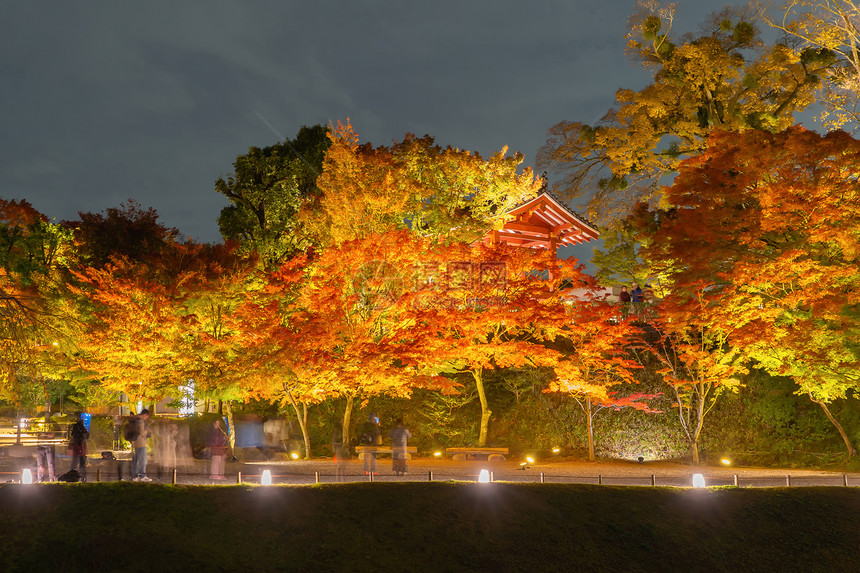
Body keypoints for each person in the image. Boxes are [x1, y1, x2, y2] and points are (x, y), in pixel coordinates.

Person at [131, 409, 152, 482]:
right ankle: (142, 476)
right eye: (146, 417)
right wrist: (147, 431)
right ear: (144, 415)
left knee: (136, 460)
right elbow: (142, 433)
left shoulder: (135, 419)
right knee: (143, 460)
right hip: (141, 443)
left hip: (135, 442)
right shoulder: (140, 421)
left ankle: (135, 476)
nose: (146, 418)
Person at [67, 413, 89, 482]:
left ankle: (72, 476)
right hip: (80, 445)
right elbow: (86, 435)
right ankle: (82, 477)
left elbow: (73, 435)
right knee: (82, 463)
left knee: (75, 461)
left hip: (77, 445)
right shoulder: (80, 426)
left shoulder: (76, 426)